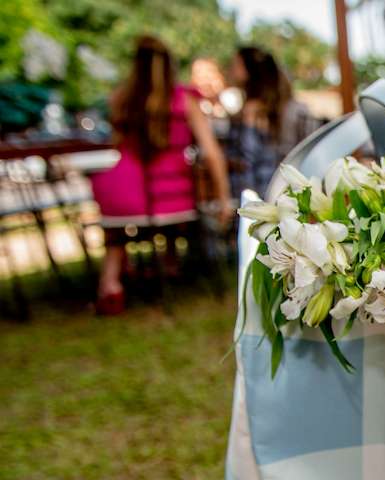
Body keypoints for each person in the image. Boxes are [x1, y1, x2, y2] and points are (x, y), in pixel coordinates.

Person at [90, 36, 233, 314]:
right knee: (175, 210)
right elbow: (212, 153)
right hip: (171, 194)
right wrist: (223, 197)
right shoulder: (184, 100)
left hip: (123, 191)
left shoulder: (121, 99)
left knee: (116, 229)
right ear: (170, 66)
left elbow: (116, 143)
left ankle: (110, 283)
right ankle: (169, 264)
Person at [226, 46, 319, 200]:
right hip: (268, 196)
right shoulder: (271, 108)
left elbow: (250, 161)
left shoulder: (278, 112)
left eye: (235, 65)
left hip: (270, 196)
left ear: (250, 70)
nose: (230, 70)